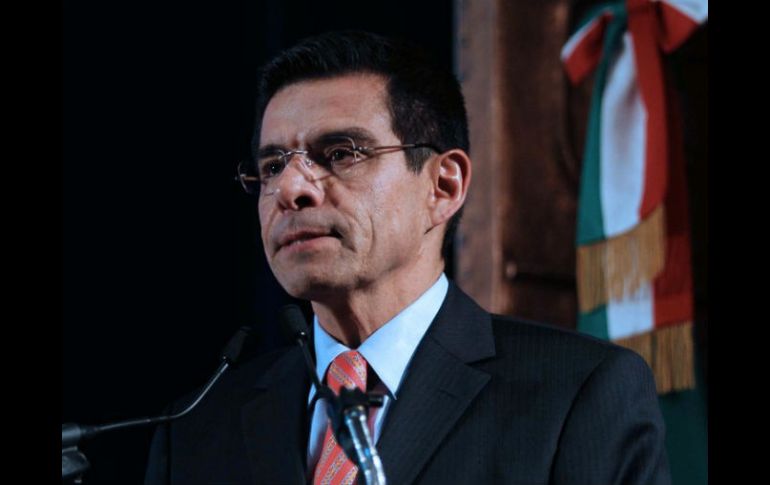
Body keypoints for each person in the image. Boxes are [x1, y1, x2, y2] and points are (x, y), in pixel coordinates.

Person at [145, 30, 671, 485]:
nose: (291, 189)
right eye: (273, 165)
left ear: (443, 186)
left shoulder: (577, 394)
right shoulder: (195, 427)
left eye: (341, 154)